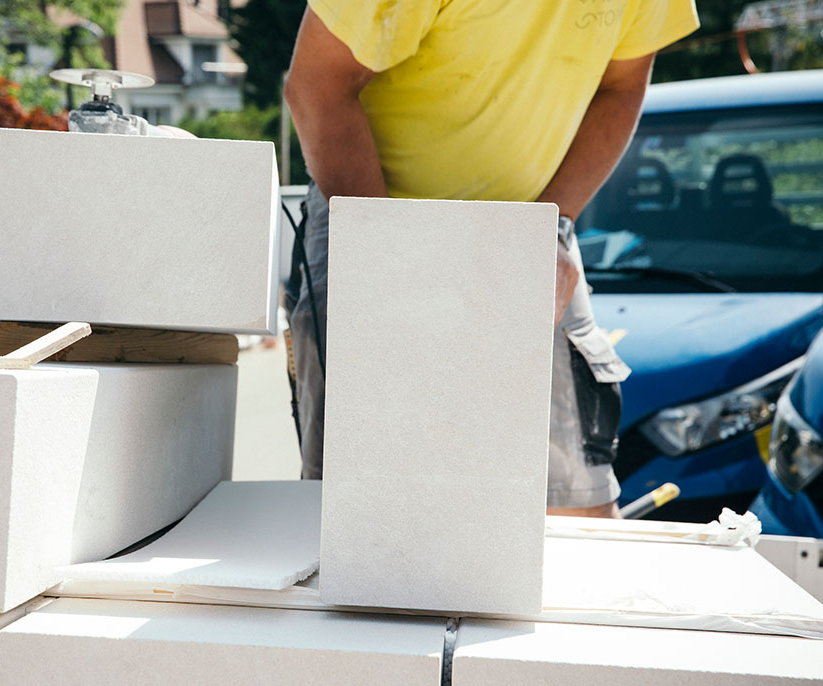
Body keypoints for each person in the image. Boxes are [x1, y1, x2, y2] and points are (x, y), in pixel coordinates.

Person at [284, 0, 700, 517]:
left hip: (535, 222)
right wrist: (391, 264)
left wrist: (555, 222)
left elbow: (621, 84)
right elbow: (317, 86)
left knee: (579, 506)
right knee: (365, 515)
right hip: (373, 213)